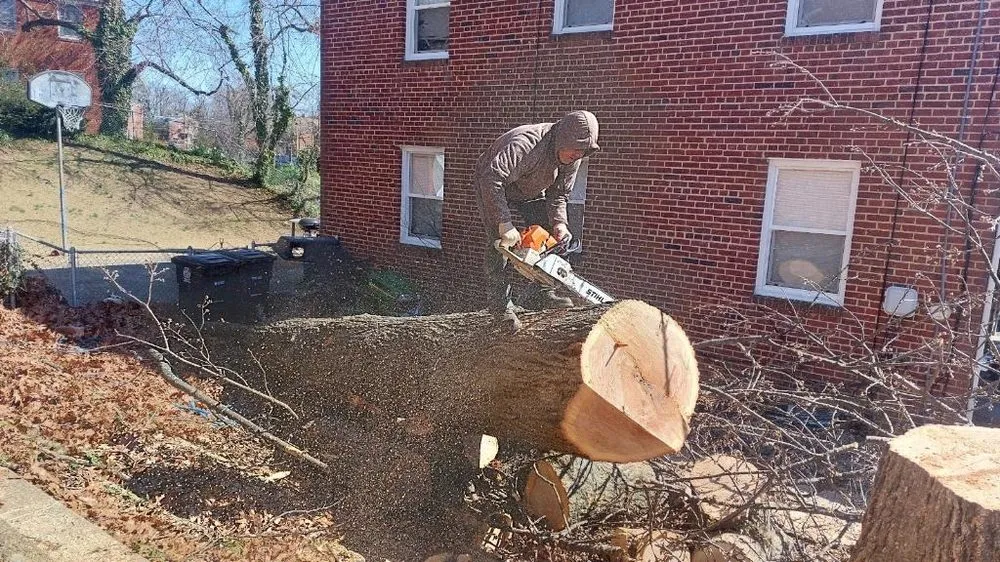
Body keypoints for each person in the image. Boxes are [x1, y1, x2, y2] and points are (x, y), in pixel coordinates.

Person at [473, 110, 600, 329]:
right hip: (494, 186)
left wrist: (560, 223)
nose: (578, 155)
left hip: (531, 190)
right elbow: (492, 177)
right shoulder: (526, 144)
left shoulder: (572, 158)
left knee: (550, 237)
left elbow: (559, 193)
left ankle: (542, 293)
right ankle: (500, 307)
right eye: (576, 149)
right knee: (500, 243)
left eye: (583, 151)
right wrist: (504, 222)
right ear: (563, 139)